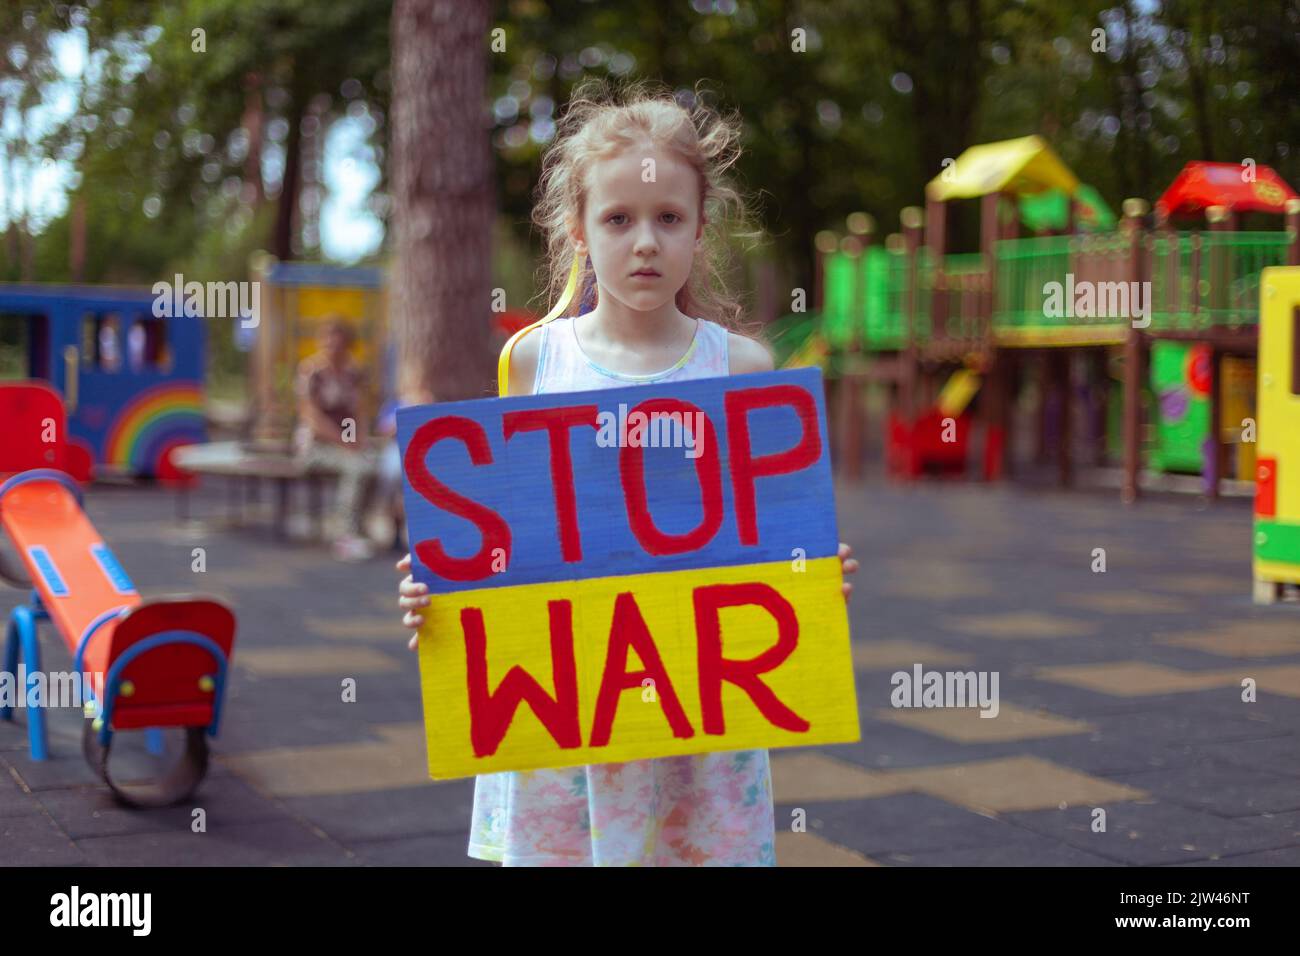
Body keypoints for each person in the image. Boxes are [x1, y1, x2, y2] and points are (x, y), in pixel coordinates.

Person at [395, 79, 859, 866]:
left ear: (700, 230)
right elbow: (514, 531)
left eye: (669, 219)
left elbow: (767, 529)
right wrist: (446, 592)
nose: (645, 242)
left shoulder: (741, 367)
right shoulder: (534, 359)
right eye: (618, 218)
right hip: (569, 717)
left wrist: (806, 579)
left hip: (699, 717)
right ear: (578, 229)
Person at [295, 317, 377, 562]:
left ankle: (361, 526)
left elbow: (361, 412)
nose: (332, 345)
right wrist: (344, 442)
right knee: (355, 468)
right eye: (328, 339)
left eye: (338, 341)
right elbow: (312, 417)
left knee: (373, 465)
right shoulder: (311, 372)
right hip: (316, 446)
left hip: (348, 445)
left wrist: (359, 440)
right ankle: (346, 535)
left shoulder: (355, 372)